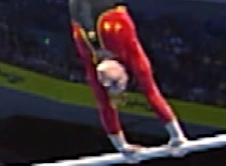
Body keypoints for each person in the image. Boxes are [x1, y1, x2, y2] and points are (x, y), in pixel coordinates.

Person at [68, 0, 187, 157]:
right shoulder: (94, 69)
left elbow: (151, 93)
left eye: (121, 85)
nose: (125, 87)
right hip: (88, 17)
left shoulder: (131, 55)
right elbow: (106, 107)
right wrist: (121, 146)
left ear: (122, 72)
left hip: (103, 17)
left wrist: (178, 136)